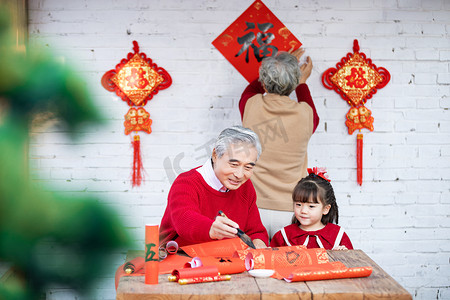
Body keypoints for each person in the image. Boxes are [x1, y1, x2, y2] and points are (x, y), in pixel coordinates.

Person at [239, 48, 320, 237]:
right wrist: (301, 81)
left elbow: (252, 88)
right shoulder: (307, 114)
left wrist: (276, 68)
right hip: (291, 209)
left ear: (264, 82)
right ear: (293, 84)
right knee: (287, 265)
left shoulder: (251, 105)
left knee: (252, 265)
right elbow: (306, 99)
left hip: (254, 207)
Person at [159, 126, 269, 248]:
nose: (239, 174)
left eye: (248, 167)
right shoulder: (186, 182)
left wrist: (259, 246)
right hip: (181, 258)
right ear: (215, 155)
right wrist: (211, 228)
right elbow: (184, 220)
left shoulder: (245, 187)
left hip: (226, 260)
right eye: (233, 164)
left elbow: (256, 231)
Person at [270, 168, 353, 250]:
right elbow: (270, 260)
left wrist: (342, 254)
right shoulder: (283, 235)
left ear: (326, 209)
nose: (303, 211)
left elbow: (352, 261)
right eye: (298, 204)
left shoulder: (338, 235)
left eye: (311, 206)